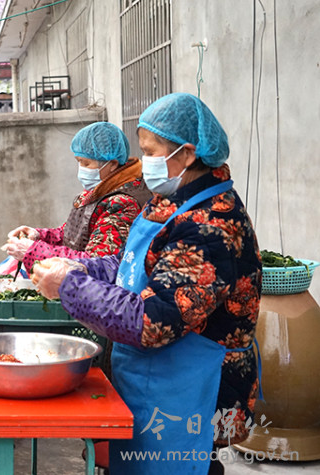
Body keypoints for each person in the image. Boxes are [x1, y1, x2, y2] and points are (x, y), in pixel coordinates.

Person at [31, 93, 261, 475]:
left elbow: (153, 321)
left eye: (150, 151)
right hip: (152, 378)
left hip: (189, 385)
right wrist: (83, 269)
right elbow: (135, 268)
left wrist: (70, 286)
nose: (144, 162)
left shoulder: (210, 225)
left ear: (186, 155)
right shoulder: (171, 201)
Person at [1, 122, 150, 272]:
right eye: (79, 161)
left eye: (86, 163)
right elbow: (71, 234)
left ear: (112, 164)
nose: (81, 169)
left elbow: (96, 264)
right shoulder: (98, 191)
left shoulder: (123, 203)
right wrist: (39, 235)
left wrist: (35, 252)